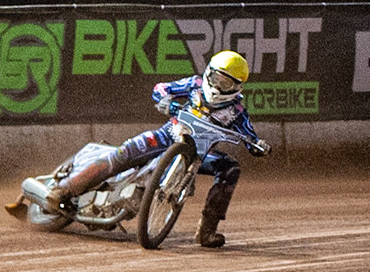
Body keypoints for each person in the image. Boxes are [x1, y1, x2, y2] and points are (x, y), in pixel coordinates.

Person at [43, 50, 270, 247]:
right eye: (216, 78)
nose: (218, 85)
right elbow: (162, 88)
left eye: (226, 83)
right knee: (125, 153)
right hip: (166, 135)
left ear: (237, 87)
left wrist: (257, 146)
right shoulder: (195, 84)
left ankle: (207, 230)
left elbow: (250, 136)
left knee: (230, 167)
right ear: (208, 72)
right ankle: (64, 191)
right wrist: (165, 100)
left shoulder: (237, 111)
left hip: (200, 153)